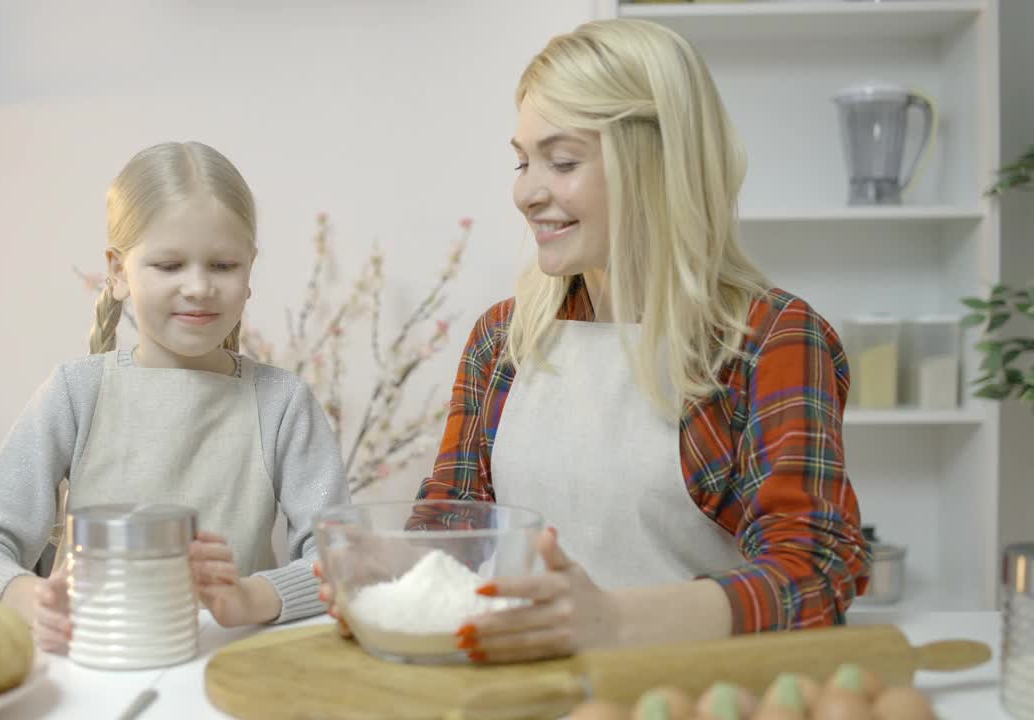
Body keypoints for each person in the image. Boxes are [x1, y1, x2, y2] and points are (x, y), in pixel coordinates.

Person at [321, 18, 869, 663]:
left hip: (685, 691)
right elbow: (456, 519)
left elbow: (816, 568)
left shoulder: (771, 340)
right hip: (517, 685)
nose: (526, 192)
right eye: (523, 161)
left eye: (562, 160)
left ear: (657, 163)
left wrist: (613, 619)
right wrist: (399, 574)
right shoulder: (504, 339)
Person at [0, 141, 350, 653]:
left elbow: (342, 558)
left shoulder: (282, 403)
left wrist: (249, 598)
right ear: (117, 272)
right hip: (93, 673)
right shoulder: (76, 393)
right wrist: (34, 598)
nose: (199, 287)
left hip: (234, 672)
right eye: (170, 265)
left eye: (223, 265)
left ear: (250, 271)